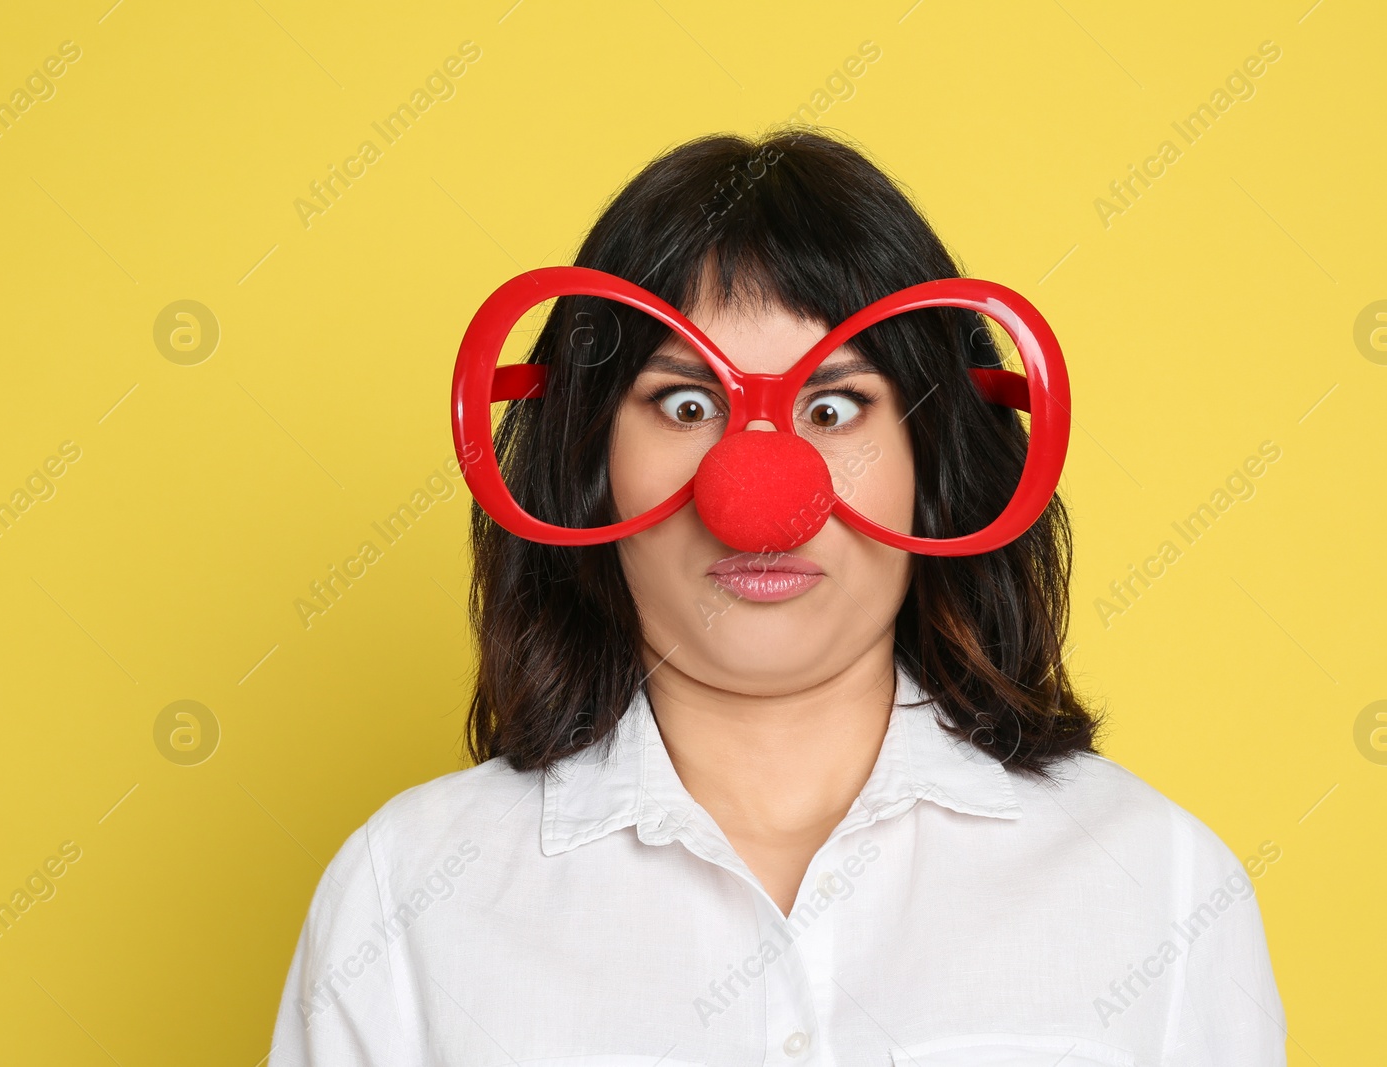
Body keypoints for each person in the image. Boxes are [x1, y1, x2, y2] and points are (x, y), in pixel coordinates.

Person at [269, 128, 1286, 1066]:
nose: (759, 491)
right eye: (686, 402)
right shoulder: (406, 894)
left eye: (834, 406)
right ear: (589, 463)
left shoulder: (1156, 883)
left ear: (936, 463)